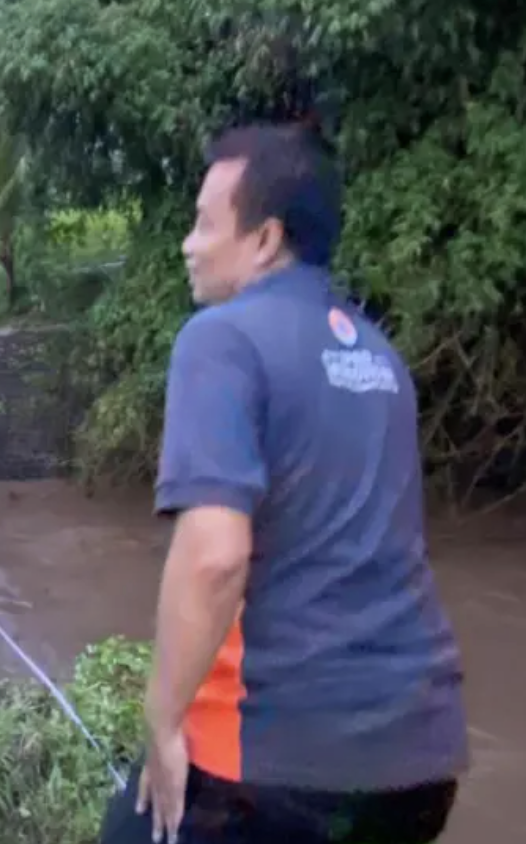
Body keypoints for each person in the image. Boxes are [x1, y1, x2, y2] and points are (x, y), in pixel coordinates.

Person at [101, 124, 465, 844]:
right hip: (422, 755)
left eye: (205, 224)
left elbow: (214, 558)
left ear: (265, 239)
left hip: (279, 764)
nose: (188, 244)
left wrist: (164, 724)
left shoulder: (221, 339)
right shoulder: (380, 357)